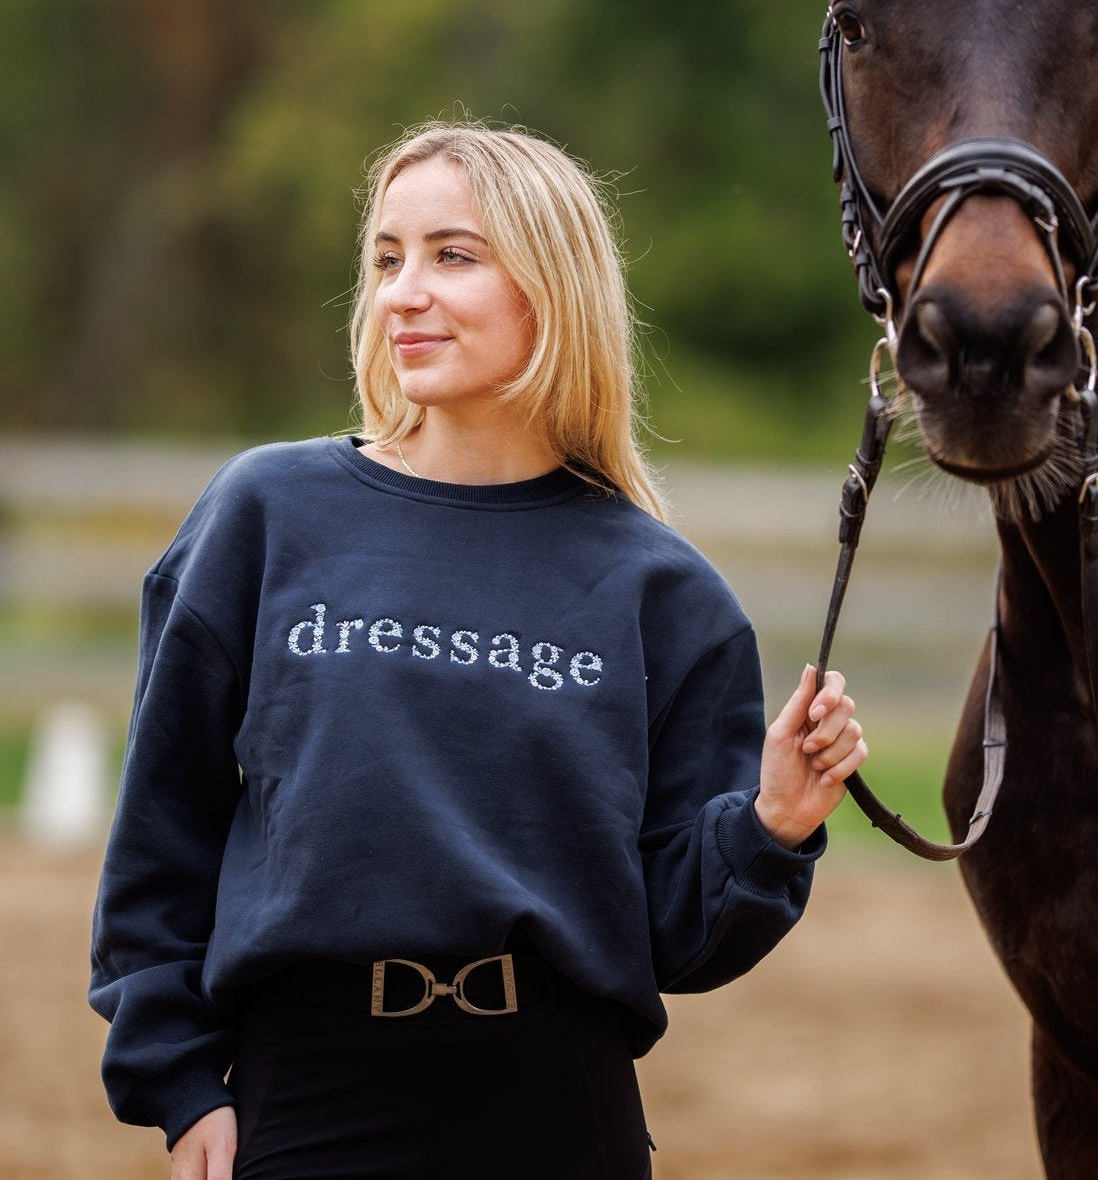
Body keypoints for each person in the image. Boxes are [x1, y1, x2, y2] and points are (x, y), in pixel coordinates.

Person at [90, 120, 867, 1180]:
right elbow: (163, 825)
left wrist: (772, 822)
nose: (404, 291)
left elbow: (677, 939)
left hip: (556, 1112)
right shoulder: (264, 513)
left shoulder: (665, 593)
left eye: (452, 256)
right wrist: (177, 1081)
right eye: (386, 259)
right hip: (305, 1097)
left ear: (552, 288)